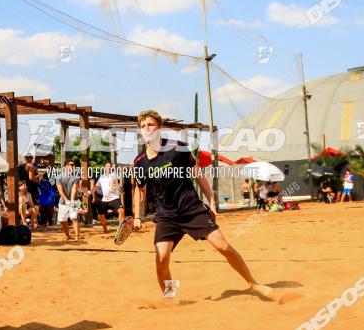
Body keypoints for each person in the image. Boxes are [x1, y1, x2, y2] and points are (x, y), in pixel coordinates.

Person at [131, 109, 271, 298]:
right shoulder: (139, 162)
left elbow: (197, 174)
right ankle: (170, 297)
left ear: (160, 127)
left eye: (150, 124)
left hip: (192, 209)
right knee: (161, 258)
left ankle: (254, 284)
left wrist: (211, 201)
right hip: (167, 216)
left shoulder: (177, 148)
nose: (147, 128)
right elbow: (139, 192)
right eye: (143, 126)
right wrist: (138, 217)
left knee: (223, 247)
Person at [92, 161, 125, 234]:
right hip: (105, 200)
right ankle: (105, 230)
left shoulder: (114, 175)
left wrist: (121, 193)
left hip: (114, 198)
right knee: (101, 216)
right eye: (107, 166)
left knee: (121, 211)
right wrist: (91, 191)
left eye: (110, 166)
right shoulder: (101, 177)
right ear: (104, 168)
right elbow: (97, 187)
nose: (109, 168)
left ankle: (121, 230)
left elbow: (119, 183)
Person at [56, 160, 81, 241]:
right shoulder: (59, 177)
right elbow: (60, 190)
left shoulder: (76, 177)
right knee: (62, 220)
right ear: (66, 166)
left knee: (74, 217)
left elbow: (74, 189)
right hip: (63, 202)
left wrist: (72, 201)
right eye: (71, 165)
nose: (73, 166)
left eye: (73, 165)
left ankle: (77, 237)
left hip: (74, 200)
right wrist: (66, 200)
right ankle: (67, 236)